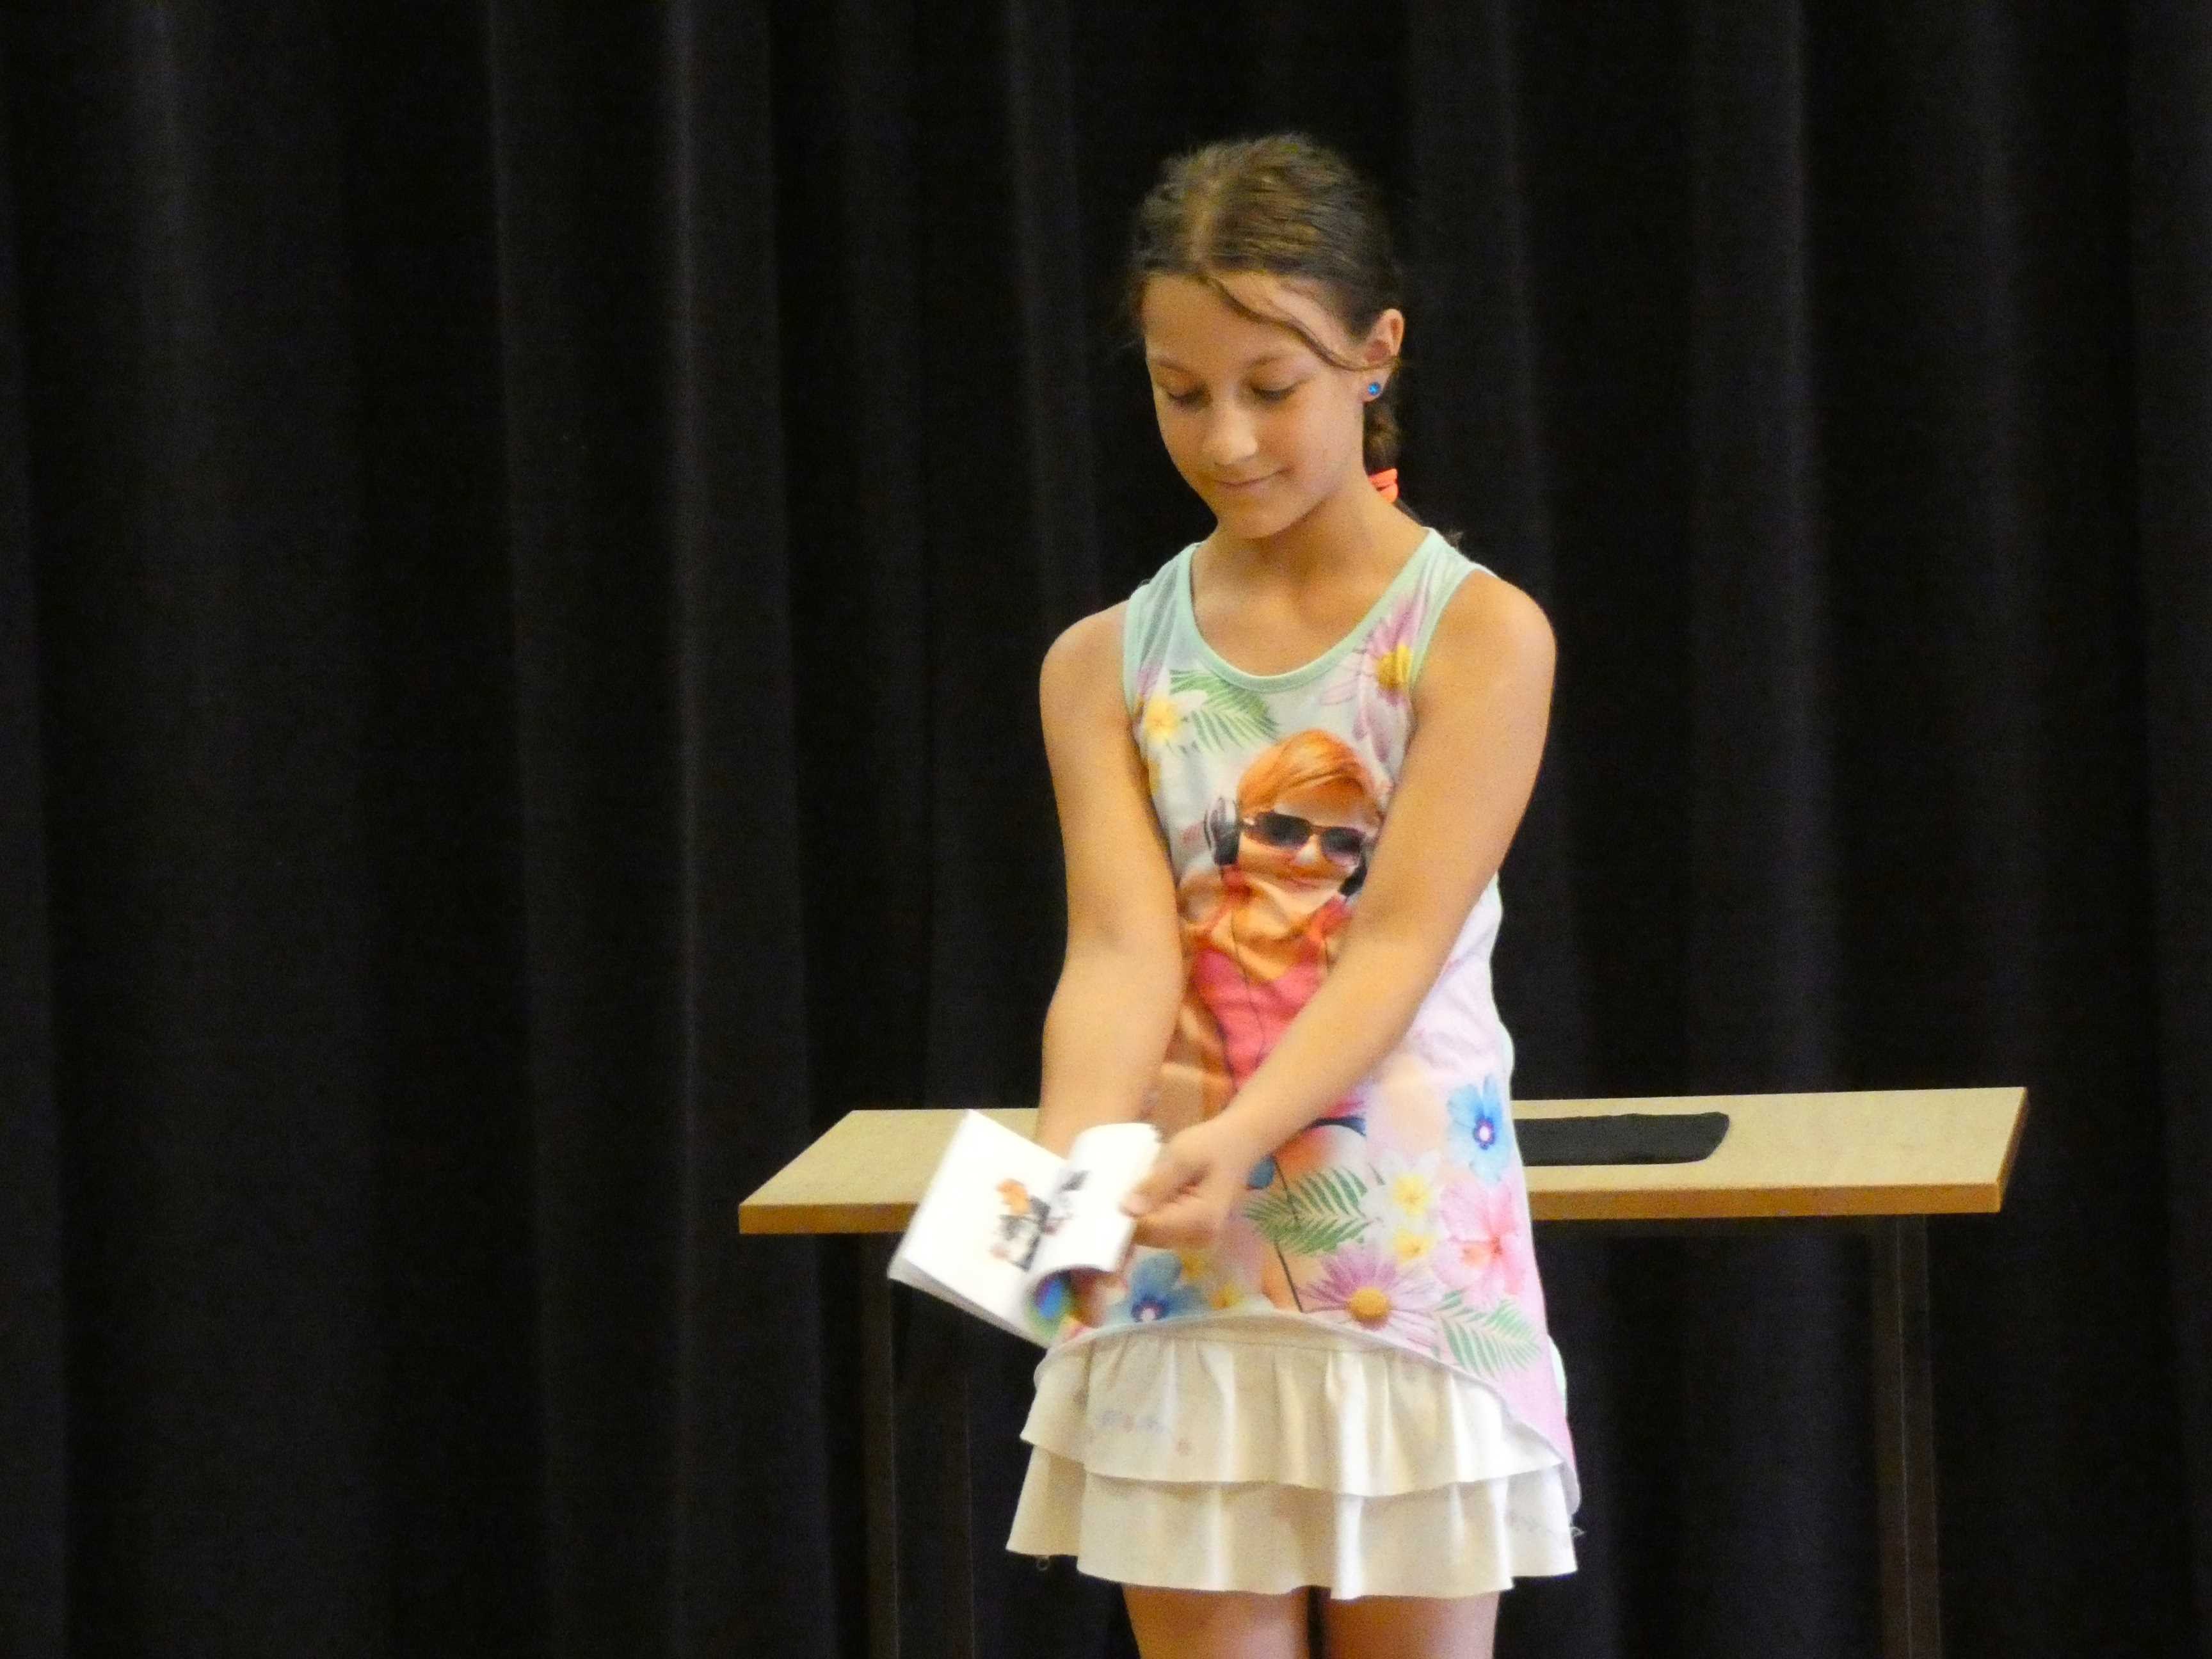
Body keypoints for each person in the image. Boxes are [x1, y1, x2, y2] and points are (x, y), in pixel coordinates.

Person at [1012, 133, 1578, 1659]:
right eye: (1180, 391)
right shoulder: (1103, 660)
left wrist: (1243, 1133)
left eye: (1273, 387)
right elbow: (1118, 950)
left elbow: (1394, 947)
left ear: (1376, 353)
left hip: (1401, 1247)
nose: (1229, 438)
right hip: (1184, 1257)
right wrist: (1069, 1170)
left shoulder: (1476, 634)